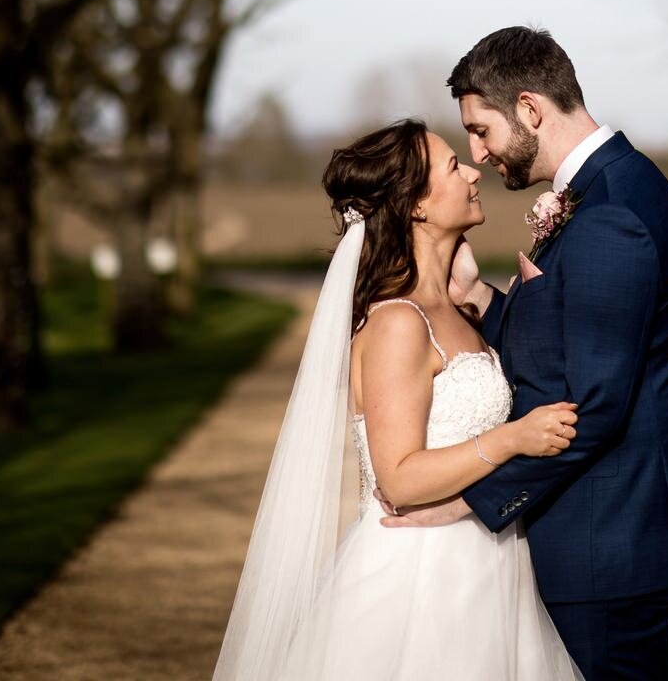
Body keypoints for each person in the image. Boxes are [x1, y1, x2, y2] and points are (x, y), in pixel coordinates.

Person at [386, 26, 668, 680]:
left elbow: (593, 406)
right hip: (603, 537)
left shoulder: (609, 215)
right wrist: (487, 304)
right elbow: (586, 349)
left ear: (531, 109)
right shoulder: (607, 192)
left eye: (482, 130)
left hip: (604, 540)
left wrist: (469, 499)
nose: (478, 155)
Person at [213, 117, 584, 680]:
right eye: (453, 166)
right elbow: (401, 479)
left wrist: (470, 285)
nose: (473, 170)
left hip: (489, 565)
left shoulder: (453, 312)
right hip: (423, 578)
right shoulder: (398, 324)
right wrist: (513, 437)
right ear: (416, 205)